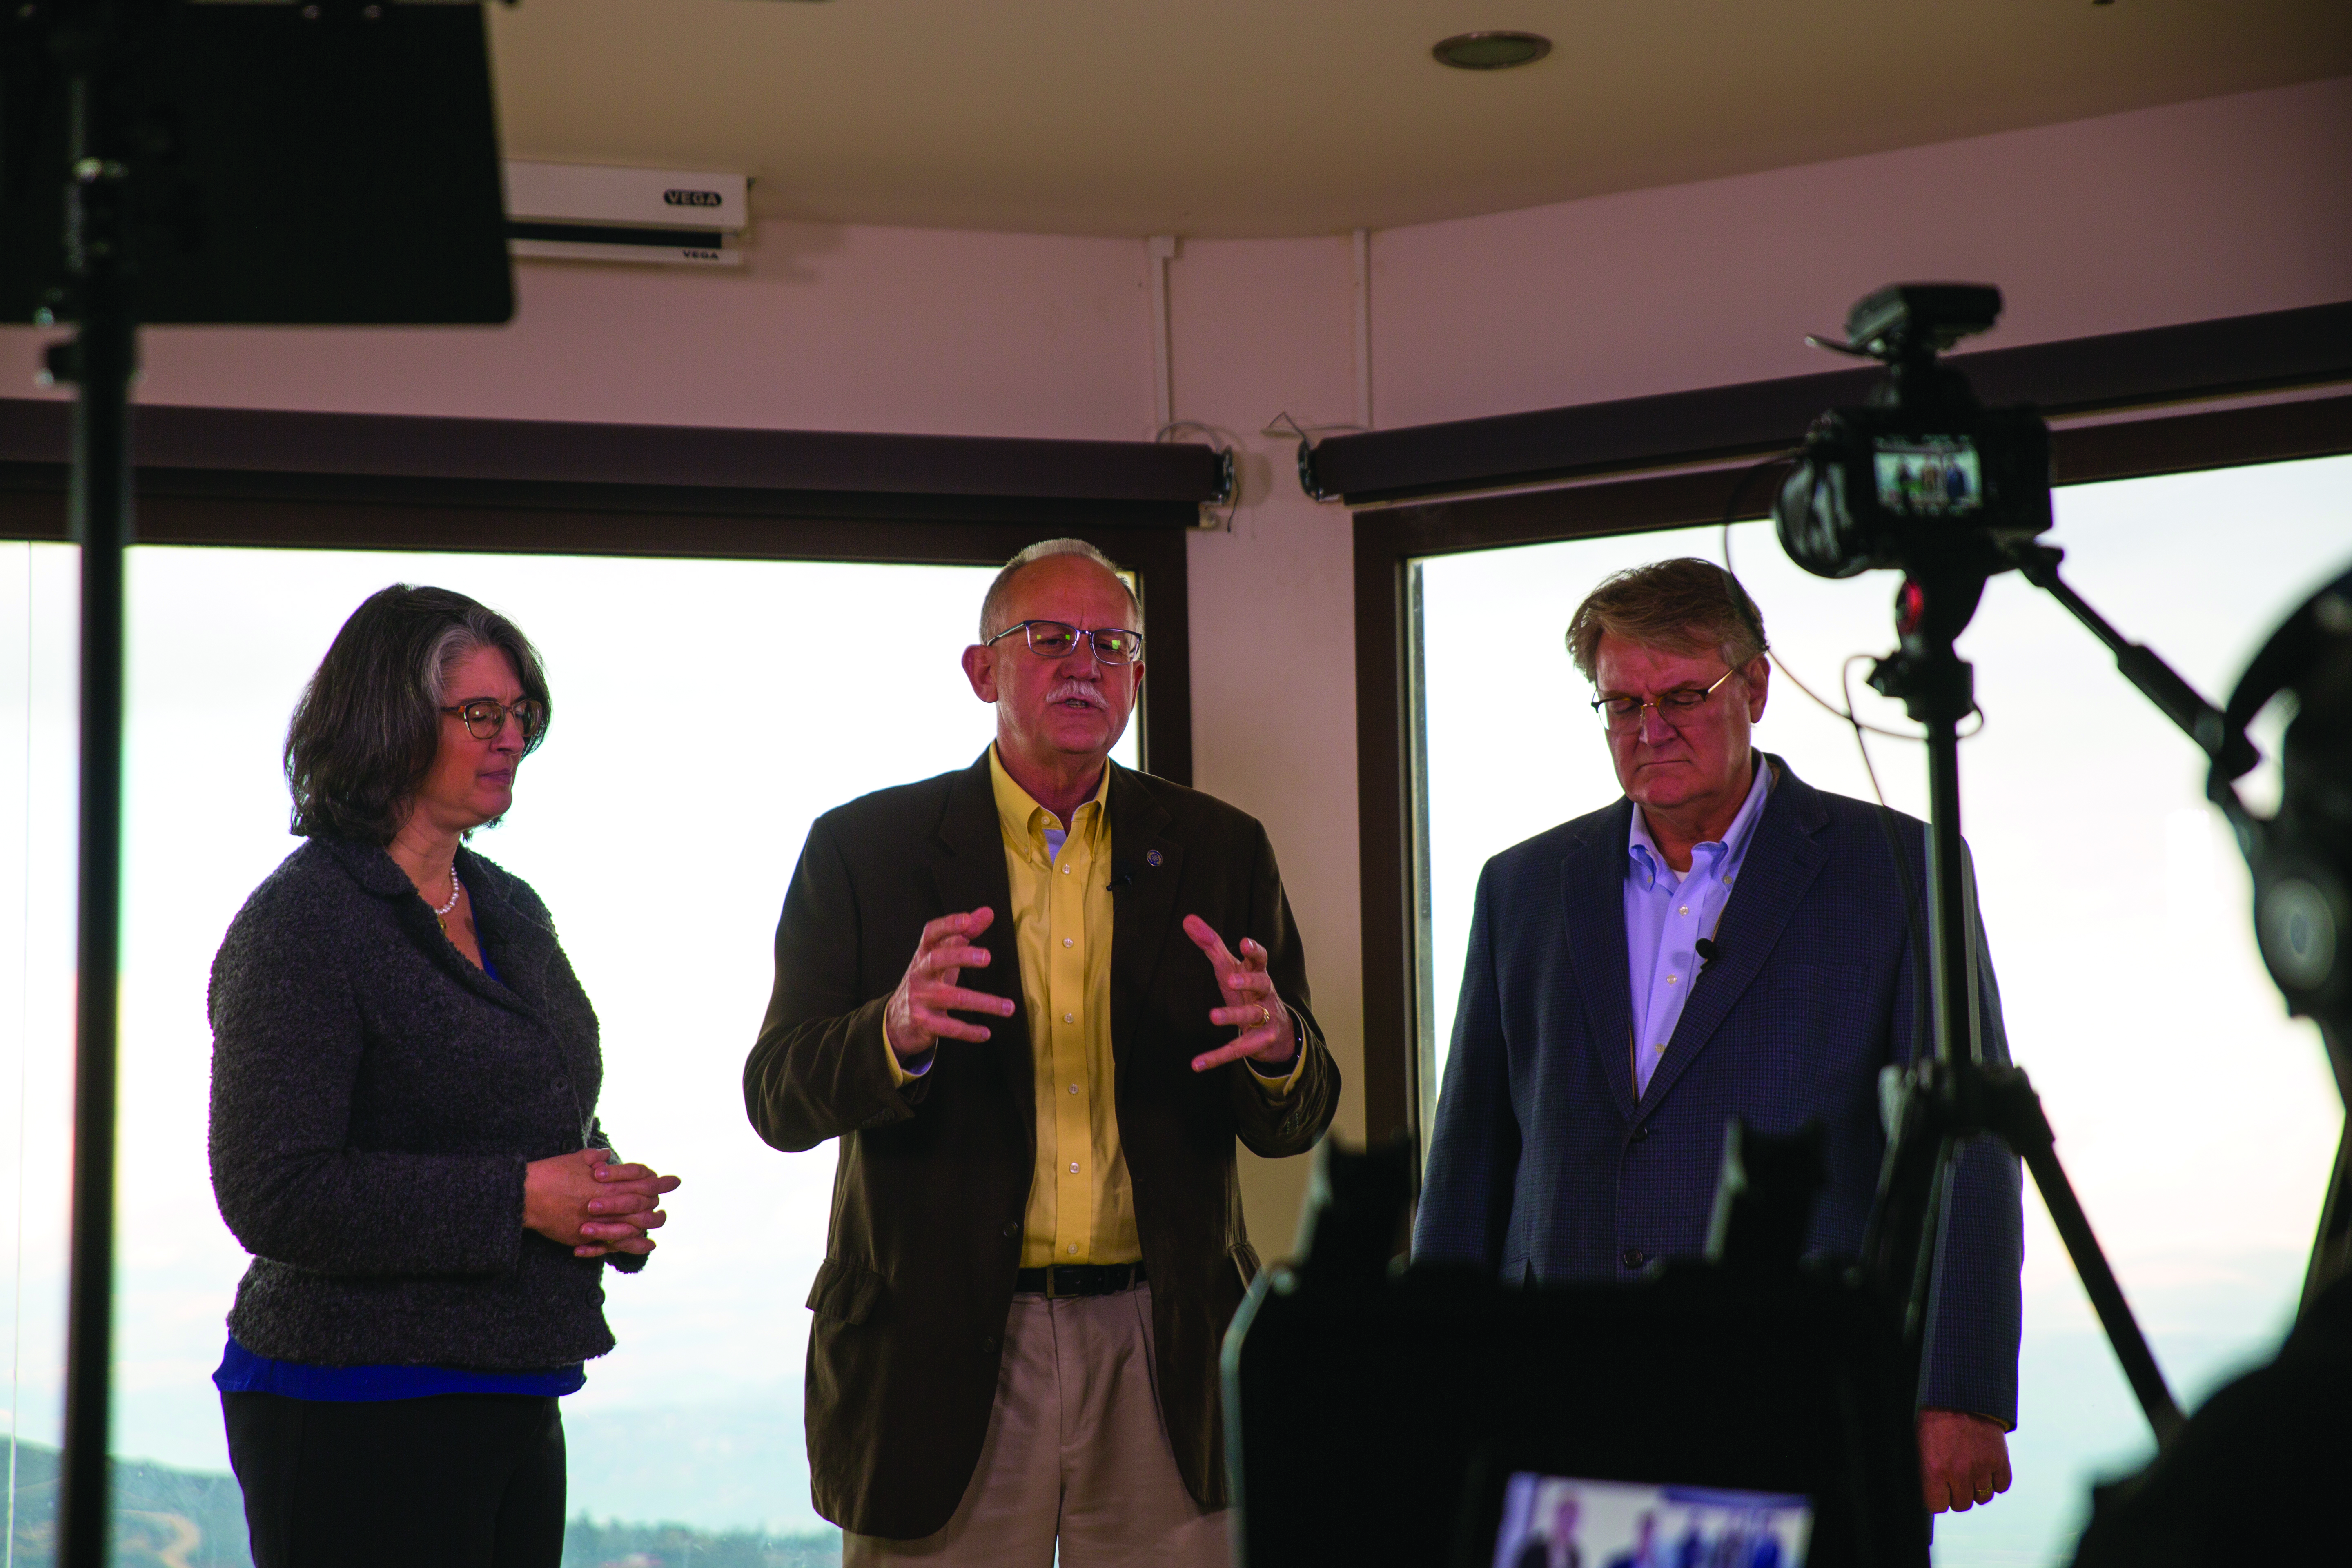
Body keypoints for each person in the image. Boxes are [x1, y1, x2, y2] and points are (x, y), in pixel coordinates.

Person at [744, 537, 1340, 1565]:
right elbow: (778, 1098)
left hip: (1166, 1346)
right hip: (940, 1348)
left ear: (1139, 680)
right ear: (983, 672)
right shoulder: (864, 849)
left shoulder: (1220, 848)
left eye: (1112, 645)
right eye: (1051, 638)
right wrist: (890, 1035)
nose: (1086, 665)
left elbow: (1299, 1112)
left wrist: (1281, 1050)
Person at [1412, 558, 2023, 1516]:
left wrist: (1959, 1392)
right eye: (1620, 706)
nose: (1649, 730)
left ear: (1757, 687)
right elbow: (1469, 1170)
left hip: (1802, 1396)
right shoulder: (1521, 888)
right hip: (1559, 1410)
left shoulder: (1899, 869)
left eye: (1682, 697)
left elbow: (1969, 1146)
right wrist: (1432, 1396)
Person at [207, 585, 682, 1568]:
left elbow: (541, 1107)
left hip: (513, 1384)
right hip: (353, 1401)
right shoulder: (301, 924)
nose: (510, 738)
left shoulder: (509, 907)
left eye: (521, 716)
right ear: (388, 723)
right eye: (480, 714)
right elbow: (274, 1190)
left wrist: (595, 1188)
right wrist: (520, 1199)